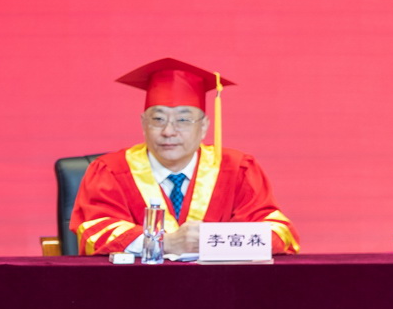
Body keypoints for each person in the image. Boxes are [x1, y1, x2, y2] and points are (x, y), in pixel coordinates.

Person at [70, 58, 298, 255]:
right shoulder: (110, 171)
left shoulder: (238, 169)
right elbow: (94, 233)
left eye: (183, 120)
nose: (169, 131)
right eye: (158, 119)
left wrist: (213, 240)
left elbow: (278, 232)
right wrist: (164, 243)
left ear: (204, 126)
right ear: (143, 124)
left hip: (221, 285)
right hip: (136, 287)